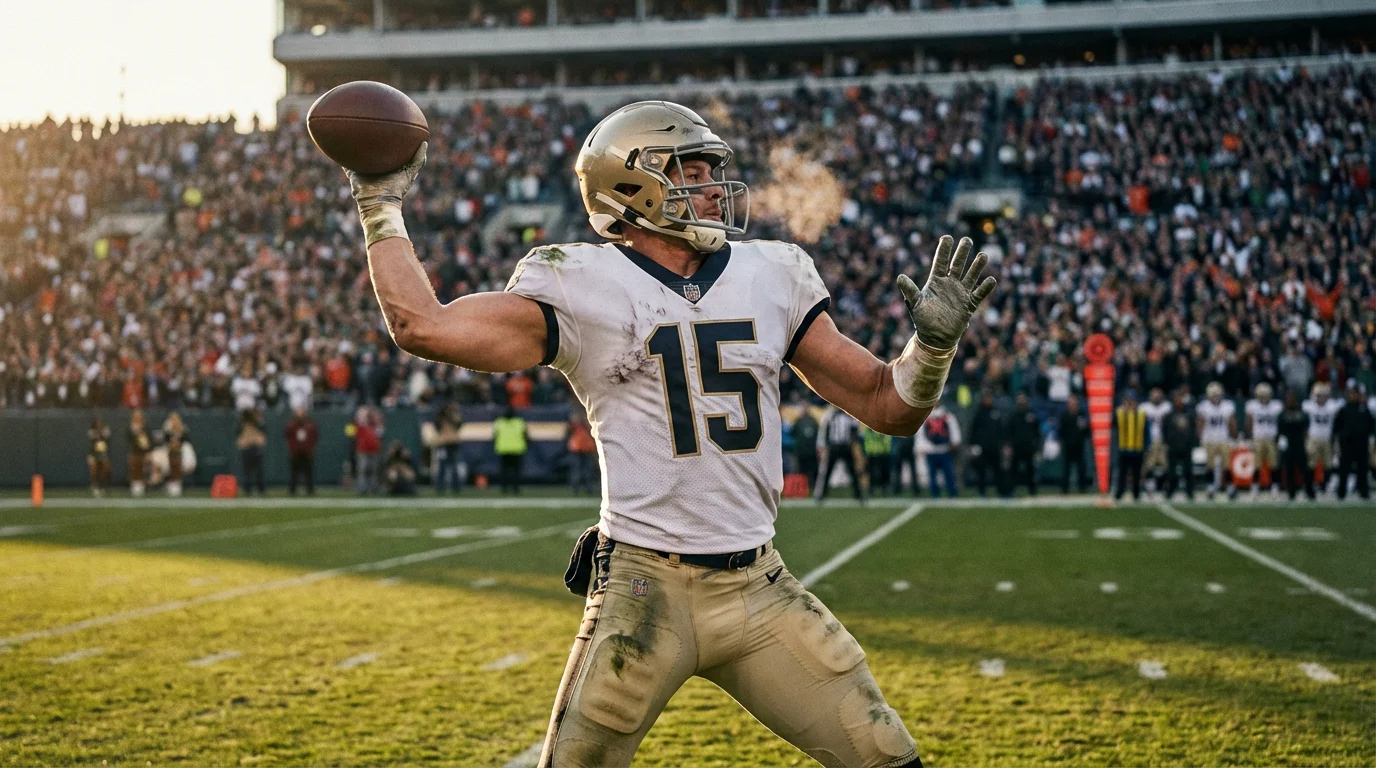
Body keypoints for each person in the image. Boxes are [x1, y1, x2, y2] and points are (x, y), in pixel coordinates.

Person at [347, 100, 994, 767]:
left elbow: (888, 404)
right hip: (642, 593)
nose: (714, 186)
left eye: (714, 169)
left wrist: (932, 349)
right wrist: (379, 207)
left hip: (758, 588)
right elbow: (422, 325)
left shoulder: (773, 273)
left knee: (887, 754)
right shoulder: (578, 280)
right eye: (691, 168)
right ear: (632, 184)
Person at [1332, 382, 1374, 501]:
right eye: (1351, 393)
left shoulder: (1364, 409)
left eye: (1355, 393)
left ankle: (1363, 491)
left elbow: (1371, 426)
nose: (1353, 396)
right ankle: (1341, 493)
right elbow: (1336, 428)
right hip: (1347, 444)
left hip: (1362, 443)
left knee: (1363, 469)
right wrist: (1337, 444)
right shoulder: (1343, 410)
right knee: (1344, 469)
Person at [1196, 381, 1237, 500]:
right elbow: (1200, 423)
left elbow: (1231, 422)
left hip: (1223, 439)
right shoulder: (1204, 406)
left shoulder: (1227, 406)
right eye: (1213, 396)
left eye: (1217, 395)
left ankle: (1230, 488)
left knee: (1227, 465)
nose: (1215, 398)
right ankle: (1210, 488)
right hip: (1209, 439)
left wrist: (1233, 436)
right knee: (1210, 465)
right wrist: (1200, 436)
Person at [817, 407, 865, 503]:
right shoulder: (831, 415)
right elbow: (827, 430)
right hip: (834, 447)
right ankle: (821, 494)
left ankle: (858, 494)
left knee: (852, 471)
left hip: (845, 446)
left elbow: (854, 429)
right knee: (828, 471)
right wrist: (827, 445)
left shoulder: (849, 416)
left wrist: (852, 441)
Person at [1303, 382, 1343, 494]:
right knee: (1311, 463)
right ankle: (1309, 487)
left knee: (1328, 464)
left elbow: (1341, 405)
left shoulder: (1331, 406)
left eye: (1324, 395)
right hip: (1313, 439)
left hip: (1327, 439)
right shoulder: (1309, 406)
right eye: (1319, 395)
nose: (1321, 398)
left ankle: (1325, 485)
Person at [1244, 382, 1283, 498]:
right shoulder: (1252, 406)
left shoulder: (1276, 406)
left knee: (1274, 464)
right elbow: (1249, 423)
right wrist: (1249, 437)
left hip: (1272, 438)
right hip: (1258, 438)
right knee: (1257, 464)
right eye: (1261, 395)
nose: (1263, 398)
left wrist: (1280, 437)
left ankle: (1274, 486)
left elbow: (1280, 423)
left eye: (1265, 395)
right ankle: (1255, 486)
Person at [1277, 390, 1315, 501]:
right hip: (1288, 445)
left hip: (1299, 444)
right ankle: (1291, 492)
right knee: (1289, 470)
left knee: (1305, 469)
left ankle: (1309, 491)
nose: (1290, 401)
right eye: (1288, 398)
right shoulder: (1282, 414)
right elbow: (1281, 432)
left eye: (1292, 398)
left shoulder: (1302, 413)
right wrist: (1282, 447)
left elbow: (1306, 427)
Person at [968, 389, 1006, 498]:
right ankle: (981, 492)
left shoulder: (996, 412)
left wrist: (1002, 444)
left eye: (990, 398)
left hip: (994, 447)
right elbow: (973, 430)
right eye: (986, 398)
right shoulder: (979, 413)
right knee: (981, 472)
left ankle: (1002, 492)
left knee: (998, 471)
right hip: (982, 448)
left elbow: (1001, 429)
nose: (988, 400)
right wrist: (972, 445)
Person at [1161, 389, 1198, 501]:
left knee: (1188, 470)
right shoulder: (1169, 415)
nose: (1179, 401)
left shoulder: (1189, 414)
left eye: (1180, 399)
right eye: (1177, 399)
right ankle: (1170, 491)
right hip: (1173, 447)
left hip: (1186, 446)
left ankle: (1189, 492)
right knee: (1171, 471)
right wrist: (1168, 442)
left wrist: (1191, 442)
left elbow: (1193, 430)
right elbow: (1165, 430)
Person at [918, 402, 960, 498]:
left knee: (948, 473)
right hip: (930, 450)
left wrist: (955, 442)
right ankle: (935, 494)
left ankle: (952, 493)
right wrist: (920, 447)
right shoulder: (925, 415)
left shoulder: (947, 415)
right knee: (932, 475)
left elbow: (954, 428)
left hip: (944, 449)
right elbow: (920, 432)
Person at [1113, 390, 1147, 502]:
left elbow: (1146, 432)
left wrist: (1146, 446)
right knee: (1122, 473)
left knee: (1136, 473)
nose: (1130, 404)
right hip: (1124, 448)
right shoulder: (1120, 413)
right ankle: (1120, 493)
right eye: (1128, 401)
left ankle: (1136, 494)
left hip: (1137, 448)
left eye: (1132, 401)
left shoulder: (1141, 414)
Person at [1140, 387, 1172, 495]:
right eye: (1154, 396)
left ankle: (1165, 486)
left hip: (1163, 440)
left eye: (1158, 396)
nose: (1156, 398)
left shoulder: (1167, 406)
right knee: (1149, 464)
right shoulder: (1144, 407)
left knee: (1165, 464)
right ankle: (1148, 486)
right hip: (1150, 440)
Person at [1057, 394, 1091, 494]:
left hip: (1079, 445)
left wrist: (1085, 428)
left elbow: (1087, 431)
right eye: (1070, 403)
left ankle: (1082, 487)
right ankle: (1065, 488)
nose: (1072, 405)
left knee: (1081, 467)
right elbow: (1061, 431)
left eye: (1074, 403)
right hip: (1068, 445)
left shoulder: (1081, 414)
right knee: (1066, 468)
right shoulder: (1064, 416)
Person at [492, 405, 528, 495]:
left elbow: (495, 436)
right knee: (515, 471)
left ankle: (504, 488)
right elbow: (526, 435)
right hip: (517, 449)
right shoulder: (519, 422)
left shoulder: (499, 422)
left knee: (504, 471)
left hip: (503, 449)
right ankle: (515, 488)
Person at [1010, 393, 1041, 496]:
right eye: (1020, 400)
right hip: (1016, 447)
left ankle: (1032, 490)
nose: (1021, 402)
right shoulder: (1013, 416)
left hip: (1029, 447)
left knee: (1030, 470)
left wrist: (1037, 447)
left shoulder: (1031, 416)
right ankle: (1011, 490)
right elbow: (1008, 432)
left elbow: (1037, 433)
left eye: (1023, 400)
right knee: (1014, 470)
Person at [432, 402, 465, 494]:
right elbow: (437, 425)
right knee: (442, 466)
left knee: (453, 466)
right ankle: (440, 488)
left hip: (452, 443)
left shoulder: (454, 417)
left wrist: (453, 412)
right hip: (443, 443)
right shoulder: (440, 418)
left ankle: (456, 488)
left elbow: (460, 423)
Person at [285, 406, 319, 495]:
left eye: (301, 411)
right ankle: (292, 490)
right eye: (298, 411)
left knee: (309, 473)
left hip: (307, 452)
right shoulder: (291, 424)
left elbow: (315, 437)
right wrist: (291, 449)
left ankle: (310, 490)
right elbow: (288, 437)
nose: (300, 413)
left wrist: (311, 449)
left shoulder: (310, 424)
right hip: (296, 452)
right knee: (294, 473)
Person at [236, 409, 267, 495]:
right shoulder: (242, 424)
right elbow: (239, 437)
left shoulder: (258, 424)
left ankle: (261, 489)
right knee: (247, 471)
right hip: (247, 449)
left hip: (255, 448)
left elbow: (263, 434)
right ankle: (248, 489)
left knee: (259, 471)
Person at [567, 410, 598, 495]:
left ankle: (582, 488)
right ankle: (581, 488)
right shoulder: (579, 419)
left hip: (581, 446)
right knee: (582, 469)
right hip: (582, 446)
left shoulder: (578, 419)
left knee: (582, 470)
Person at [790, 406, 820, 493]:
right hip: (807, 450)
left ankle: (807, 486)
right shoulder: (812, 421)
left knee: (806, 470)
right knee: (809, 470)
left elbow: (792, 433)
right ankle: (807, 487)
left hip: (805, 450)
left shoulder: (800, 421)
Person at [354, 406, 383, 495]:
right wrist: (360, 421)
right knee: (362, 470)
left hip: (374, 450)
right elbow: (351, 433)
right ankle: (362, 489)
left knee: (373, 470)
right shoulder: (359, 425)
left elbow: (380, 433)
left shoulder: (375, 425)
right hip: (363, 450)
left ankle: (373, 488)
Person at [861, 425, 892, 496]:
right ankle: (873, 488)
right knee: (872, 473)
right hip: (872, 453)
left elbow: (886, 440)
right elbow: (866, 440)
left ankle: (884, 488)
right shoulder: (868, 428)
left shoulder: (880, 428)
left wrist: (886, 450)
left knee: (883, 472)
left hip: (882, 452)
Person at [163, 411, 189, 497]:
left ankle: (177, 483)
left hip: (181, 453)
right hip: (170, 452)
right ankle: (172, 483)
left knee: (177, 462)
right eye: (172, 419)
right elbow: (166, 441)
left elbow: (185, 441)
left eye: (175, 419)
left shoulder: (183, 429)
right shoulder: (167, 430)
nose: (174, 421)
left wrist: (178, 444)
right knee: (171, 462)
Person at [128, 409, 151, 497]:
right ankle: (135, 484)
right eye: (136, 417)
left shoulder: (146, 427)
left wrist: (149, 452)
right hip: (135, 451)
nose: (138, 418)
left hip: (145, 452)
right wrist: (134, 431)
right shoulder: (131, 427)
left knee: (144, 467)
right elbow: (129, 438)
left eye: (139, 416)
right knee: (135, 466)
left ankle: (143, 484)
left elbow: (149, 440)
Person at [87, 417, 112, 498]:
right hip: (94, 454)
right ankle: (95, 486)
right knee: (94, 470)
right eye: (97, 423)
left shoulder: (105, 431)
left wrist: (101, 432)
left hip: (103, 454)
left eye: (100, 423)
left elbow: (106, 435)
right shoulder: (91, 432)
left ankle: (103, 486)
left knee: (105, 469)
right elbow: (92, 437)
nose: (99, 425)